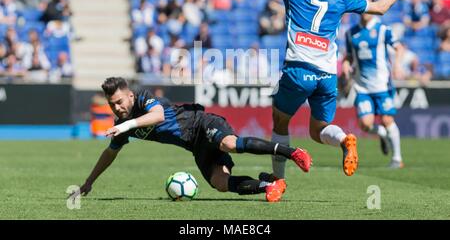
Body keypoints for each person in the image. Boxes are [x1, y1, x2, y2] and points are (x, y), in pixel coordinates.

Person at [241, 0, 421, 181]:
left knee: (280, 121)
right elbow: (379, 8)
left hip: (299, 70)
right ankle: (344, 139)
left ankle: (278, 180)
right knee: (318, 130)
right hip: (327, 77)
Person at [73, 77, 312, 202]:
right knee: (219, 182)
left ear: (130, 96)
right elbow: (110, 153)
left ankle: (292, 152)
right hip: (195, 146)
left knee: (229, 143)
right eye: (112, 104)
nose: (116, 107)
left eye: (120, 101)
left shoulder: (144, 99)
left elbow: (156, 116)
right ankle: (270, 184)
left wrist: (126, 124)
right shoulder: (122, 127)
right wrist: (89, 181)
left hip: (201, 123)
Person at [342, 0, 404, 168]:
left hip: (382, 84)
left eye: (369, 4)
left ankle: (397, 159)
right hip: (362, 87)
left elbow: (399, 48)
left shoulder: (383, 29)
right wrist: (346, 65)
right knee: (365, 124)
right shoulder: (351, 33)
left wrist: (397, 65)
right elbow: (347, 56)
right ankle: (382, 135)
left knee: (387, 119)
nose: (365, 9)